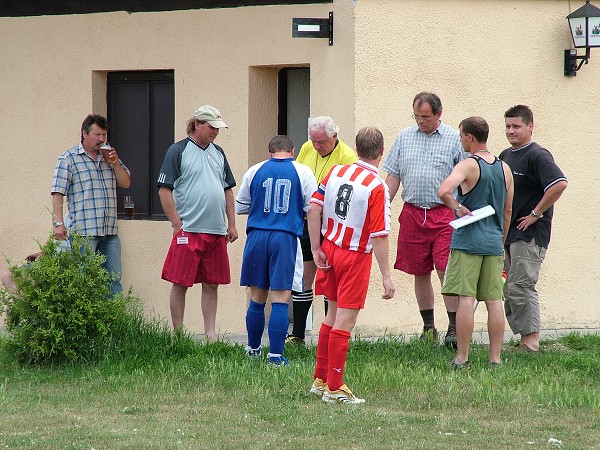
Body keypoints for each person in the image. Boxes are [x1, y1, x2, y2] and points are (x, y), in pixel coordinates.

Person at [308, 127, 395, 404]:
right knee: (346, 319)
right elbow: (379, 234)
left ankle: (320, 380)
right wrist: (387, 276)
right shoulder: (377, 186)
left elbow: (313, 208)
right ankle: (335, 387)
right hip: (354, 255)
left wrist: (315, 247)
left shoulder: (335, 172)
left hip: (330, 248)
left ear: (356, 150)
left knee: (331, 314)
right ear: (382, 152)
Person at [382, 92, 465, 346]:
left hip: (443, 215)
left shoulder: (454, 139)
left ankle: (453, 326)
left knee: (445, 270)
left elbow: (467, 177)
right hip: (413, 213)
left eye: (426, 117)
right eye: (417, 116)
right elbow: (393, 176)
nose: (421, 121)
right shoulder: (404, 137)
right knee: (420, 272)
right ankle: (428, 326)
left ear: (439, 114)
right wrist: (382, 206)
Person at [438, 117, 514, 368]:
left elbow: (443, 191)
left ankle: (462, 357)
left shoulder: (468, 165)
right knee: (494, 301)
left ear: (470, 137)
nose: (460, 140)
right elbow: (507, 212)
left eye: (461, 136)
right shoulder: (505, 168)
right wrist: (499, 241)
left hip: (468, 241)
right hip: (493, 242)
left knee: (466, 300)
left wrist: (458, 207)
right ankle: (495, 359)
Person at [157, 105, 238, 342]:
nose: (215, 132)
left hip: (215, 230)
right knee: (180, 282)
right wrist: (176, 223)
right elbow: (164, 190)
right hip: (189, 229)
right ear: (197, 125)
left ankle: (210, 334)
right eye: (211, 127)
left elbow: (227, 190)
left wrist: (231, 224)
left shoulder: (219, 152)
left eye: (218, 128)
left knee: (212, 283)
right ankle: (178, 335)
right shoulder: (178, 151)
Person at [235, 135, 317, 366]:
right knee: (281, 298)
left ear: (269, 153)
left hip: (257, 235)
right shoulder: (302, 171)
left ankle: (253, 349)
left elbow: (241, 206)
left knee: (257, 297)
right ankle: (276, 355)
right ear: (292, 151)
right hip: (285, 236)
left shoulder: (254, 170)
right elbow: (311, 208)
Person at [499, 105, 568, 352]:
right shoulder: (506, 155)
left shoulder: (538, 155)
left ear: (530, 126)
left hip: (530, 234)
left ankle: (531, 342)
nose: (511, 131)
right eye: (508, 126)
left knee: (521, 285)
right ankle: (522, 339)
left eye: (516, 126)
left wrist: (535, 214)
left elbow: (559, 184)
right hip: (510, 232)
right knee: (510, 286)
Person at [287, 116, 357, 345]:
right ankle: (297, 334)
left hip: (331, 225)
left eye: (321, 143)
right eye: (313, 141)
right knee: (304, 277)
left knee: (329, 279)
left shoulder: (347, 157)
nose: (316, 147)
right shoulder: (308, 148)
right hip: (307, 221)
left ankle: (329, 334)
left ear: (334, 137)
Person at [51, 114, 131, 296]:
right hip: (83, 232)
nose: (101, 139)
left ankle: (114, 323)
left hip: (109, 231)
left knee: (113, 280)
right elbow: (57, 193)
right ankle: (85, 323)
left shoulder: (109, 156)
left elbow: (126, 183)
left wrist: (116, 164)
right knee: (82, 280)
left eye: (104, 135)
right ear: (84, 134)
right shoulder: (68, 158)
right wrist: (58, 223)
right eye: (97, 134)